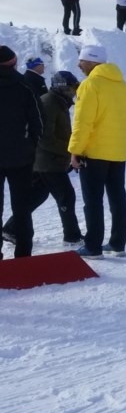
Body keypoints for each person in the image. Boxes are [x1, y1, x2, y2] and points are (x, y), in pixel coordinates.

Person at [69, 45, 126, 259]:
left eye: (82, 60)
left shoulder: (90, 85)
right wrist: (123, 145)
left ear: (92, 62)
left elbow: (83, 122)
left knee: (93, 200)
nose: (79, 64)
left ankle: (93, 246)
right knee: (118, 198)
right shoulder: (125, 87)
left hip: (94, 152)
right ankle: (118, 243)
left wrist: (75, 150)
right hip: (118, 152)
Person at [2, 71, 84, 249]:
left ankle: (11, 229)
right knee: (66, 196)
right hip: (48, 161)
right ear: (62, 87)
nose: (74, 91)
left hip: (48, 159)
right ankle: (72, 236)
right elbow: (45, 137)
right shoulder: (50, 103)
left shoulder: (59, 102)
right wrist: (69, 150)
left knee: (37, 194)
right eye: (72, 87)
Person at [0, 46, 43, 259]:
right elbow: (38, 122)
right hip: (21, 159)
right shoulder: (25, 84)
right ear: (14, 63)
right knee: (22, 209)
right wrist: (31, 146)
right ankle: (23, 256)